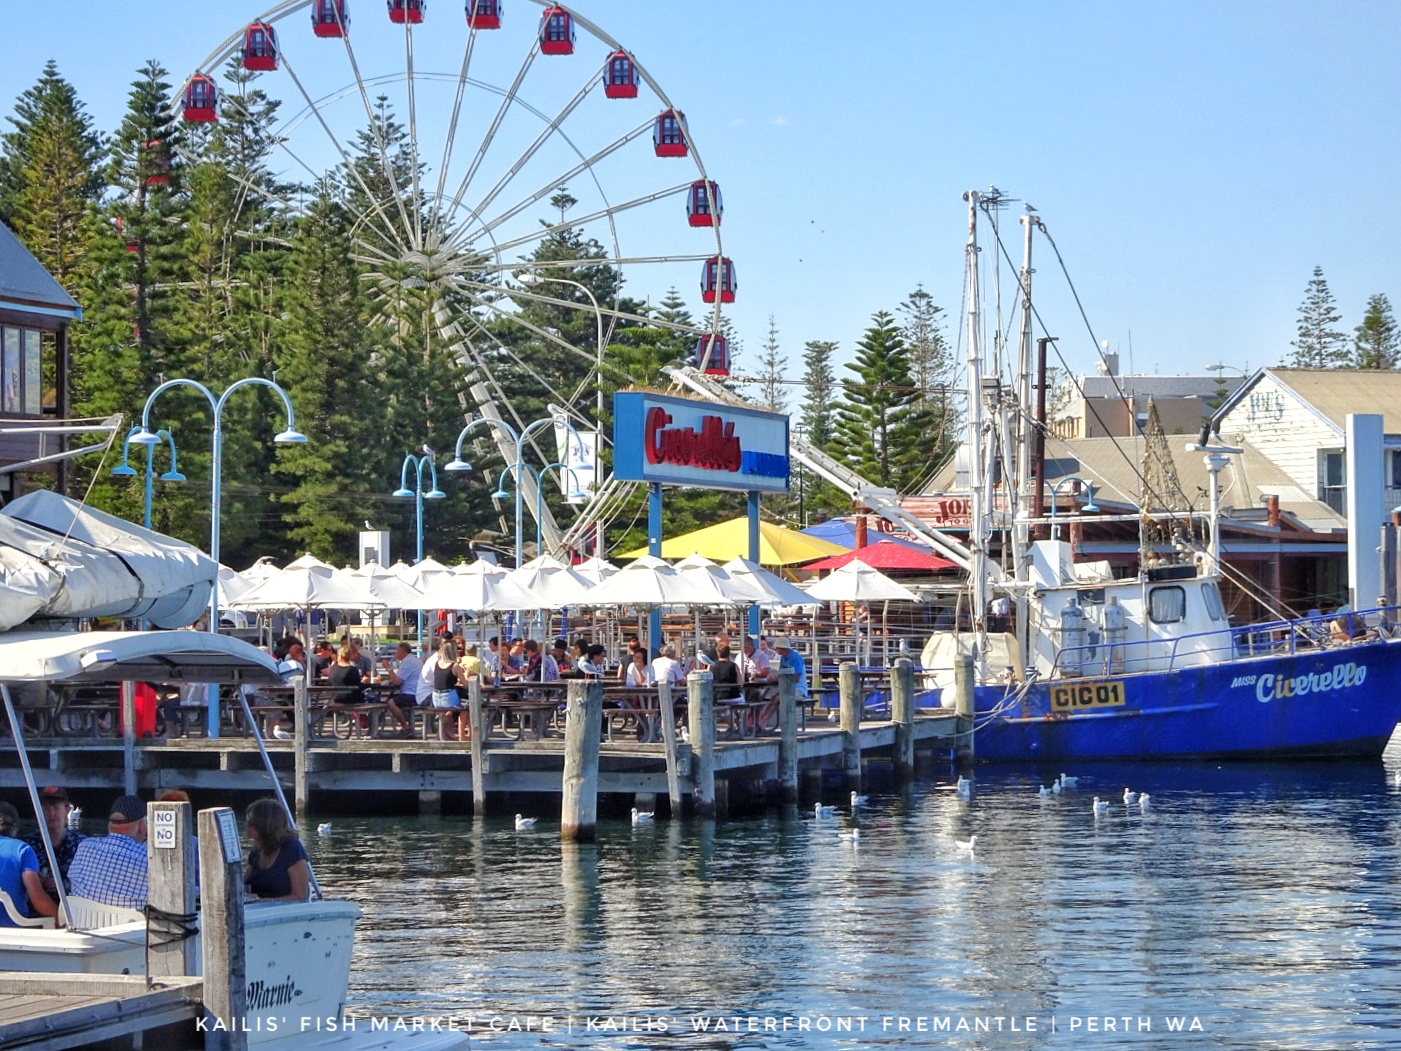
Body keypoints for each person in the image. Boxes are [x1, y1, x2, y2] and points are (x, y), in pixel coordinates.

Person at [68, 794, 149, 911]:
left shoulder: (85, 846)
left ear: (109, 825)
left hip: (81, 925)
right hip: (130, 928)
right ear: (142, 826)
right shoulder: (148, 858)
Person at [243, 799, 310, 903]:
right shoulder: (256, 852)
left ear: (265, 824)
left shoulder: (292, 848)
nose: (246, 825)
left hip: (283, 913)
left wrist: (266, 901)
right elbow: (243, 885)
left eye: (251, 822)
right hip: (255, 912)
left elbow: (300, 896)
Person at [0, 801, 56, 926]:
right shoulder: (22, 850)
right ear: (16, 827)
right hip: (13, 934)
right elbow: (39, 900)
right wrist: (63, 921)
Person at [22, 785, 85, 896]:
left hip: (73, 907)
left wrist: (65, 885)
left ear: (66, 810)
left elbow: (91, 881)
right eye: (46, 808)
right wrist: (33, 882)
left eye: (56, 808)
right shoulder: (26, 846)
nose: (51, 813)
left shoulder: (82, 845)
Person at [426, 637, 470, 741]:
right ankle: (460, 735)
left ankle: (444, 733)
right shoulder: (455, 666)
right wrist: (467, 674)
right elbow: (466, 685)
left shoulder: (437, 664)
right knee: (465, 707)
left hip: (436, 698)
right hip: (448, 698)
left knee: (449, 712)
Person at [383, 642, 423, 736]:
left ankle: (405, 727)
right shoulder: (414, 660)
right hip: (417, 692)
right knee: (390, 698)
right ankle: (404, 723)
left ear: (402, 652)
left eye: (397, 651)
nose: (395, 654)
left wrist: (389, 668)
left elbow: (397, 681)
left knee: (391, 702)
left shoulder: (407, 662)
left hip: (412, 694)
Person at [326, 645, 364, 710]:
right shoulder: (352, 669)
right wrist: (364, 682)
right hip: (349, 699)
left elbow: (329, 683)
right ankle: (364, 719)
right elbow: (358, 685)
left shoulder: (333, 668)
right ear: (350, 656)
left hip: (334, 697)